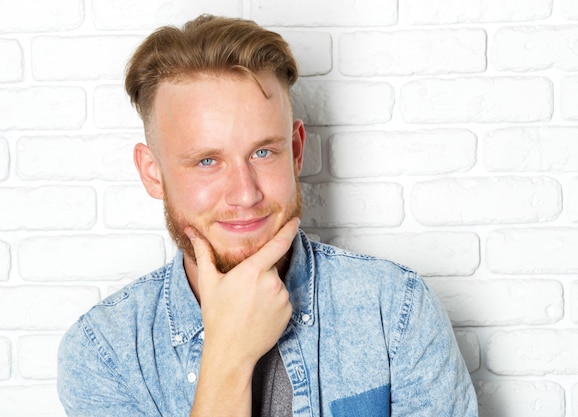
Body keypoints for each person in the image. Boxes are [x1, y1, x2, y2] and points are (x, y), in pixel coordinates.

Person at [57, 14, 478, 417]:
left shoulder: (396, 309)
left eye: (263, 152)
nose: (245, 193)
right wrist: (229, 357)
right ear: (154, 174)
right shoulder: (104, 352)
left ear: (295, 152)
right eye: (206, 161)